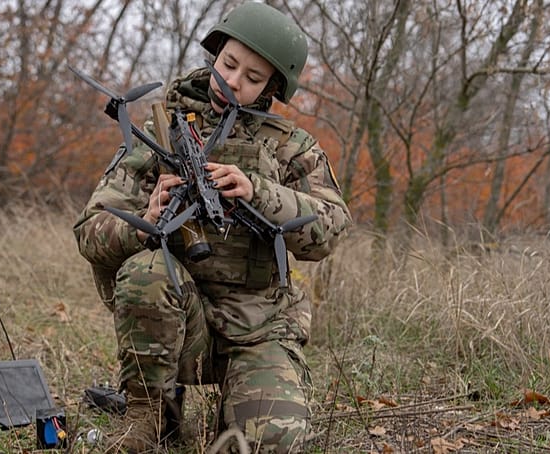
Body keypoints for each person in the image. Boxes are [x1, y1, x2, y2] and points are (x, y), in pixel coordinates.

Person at [73, 2, 350, 452]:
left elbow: (332, 229)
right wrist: (143, 224)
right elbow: (90, 229)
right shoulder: (160, 131)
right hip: (180, 321)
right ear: (215, 54)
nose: (232, 82)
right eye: (229, 64)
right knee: (148, 272)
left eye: (253, 78)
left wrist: (258, 192)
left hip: (259, 329)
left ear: (274, 87)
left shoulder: (291, 147)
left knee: (268, 444)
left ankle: (238, 403)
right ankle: (151, 410)